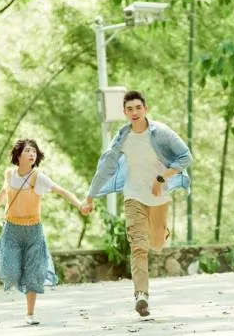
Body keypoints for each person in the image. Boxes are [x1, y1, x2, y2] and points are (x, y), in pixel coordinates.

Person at [81, 90, 192, 317]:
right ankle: (141, 295)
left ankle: (160, 232)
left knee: (157, 243)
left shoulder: (161, 133)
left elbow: (186, 157)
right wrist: (90, 196)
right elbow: (105, 168)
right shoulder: (123, 137)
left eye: (138, 108)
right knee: (138, 246)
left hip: (159, 196)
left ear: (145, 109)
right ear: (124, 112)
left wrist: (162, 178)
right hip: (133, 195)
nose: (134, 112)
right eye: (129, 109)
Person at [0, 138, 84, 325]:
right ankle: (22, 282)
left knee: (33, 274)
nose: (32, 154)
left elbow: (62, 191)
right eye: (27, 150)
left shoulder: (38, 177)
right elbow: (5, 191)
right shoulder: (9, 174)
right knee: (11, 271)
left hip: (33, 231)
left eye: (34, 151)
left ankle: (30, 314)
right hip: (12, 230)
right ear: (18, 155)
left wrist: (80, 205)